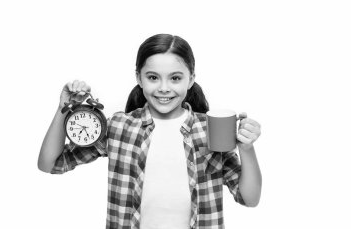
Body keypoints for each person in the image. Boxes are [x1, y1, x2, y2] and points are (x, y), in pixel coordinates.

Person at [38, 34, 262, 229]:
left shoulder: (209, 130)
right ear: (139, 78)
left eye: (175, 78)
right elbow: (50, 164)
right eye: (153, 77)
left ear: (191, 79)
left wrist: (247, 149)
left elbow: (249, 198)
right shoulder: (119, 127)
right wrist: (63, 109)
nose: (164, 88)